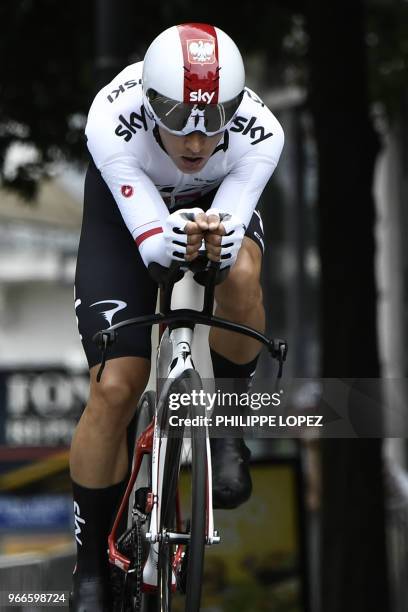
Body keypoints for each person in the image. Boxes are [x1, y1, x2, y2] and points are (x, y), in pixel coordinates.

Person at [70, 22, 284, 611]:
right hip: (128, 211)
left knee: (240, 274)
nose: (194, 142)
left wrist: (214, 242)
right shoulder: (109, 119)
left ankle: (227, 429)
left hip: (216, 207)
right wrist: (176, 239)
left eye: (213, 120)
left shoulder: (262, 133)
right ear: (148, 103)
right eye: (177, 120)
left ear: (234, 109)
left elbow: (228, 240)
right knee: (116, 386)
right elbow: (155, 253)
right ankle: (89, 569)